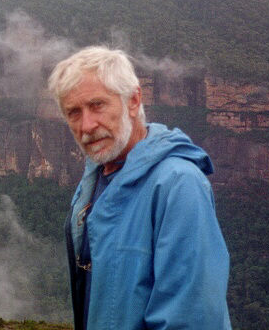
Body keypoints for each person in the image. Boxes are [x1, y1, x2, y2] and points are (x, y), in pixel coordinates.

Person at [47, 46, 231, 330]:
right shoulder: (95, 175)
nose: (87, 125)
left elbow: (191, 319)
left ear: (133, 101)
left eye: (97, 105)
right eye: (73, 112)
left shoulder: (179, 185)